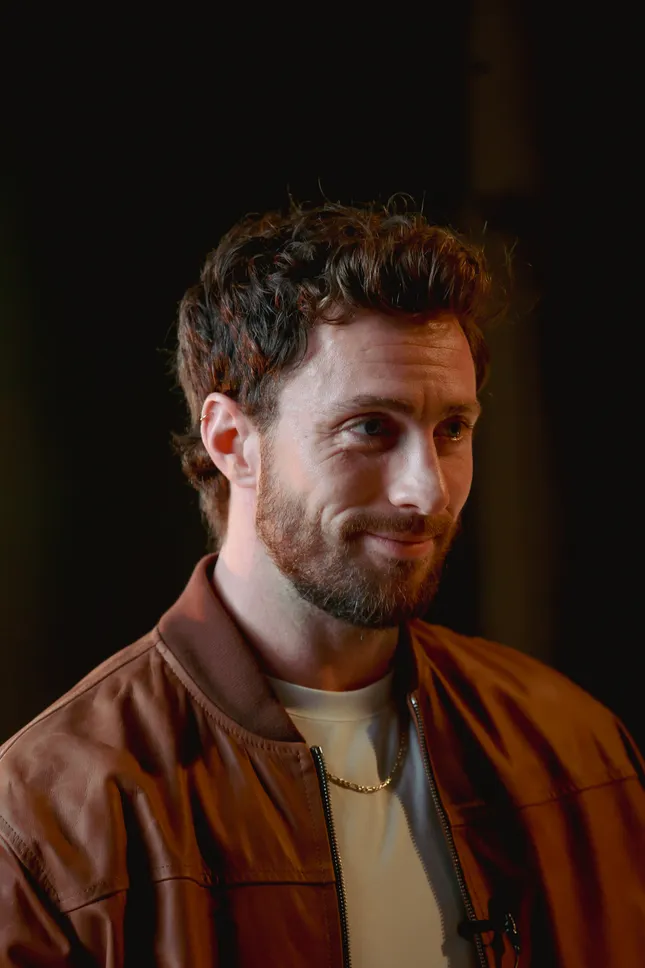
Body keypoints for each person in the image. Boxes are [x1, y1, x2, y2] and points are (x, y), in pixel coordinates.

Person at [0, 202, 643, 968]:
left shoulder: (577, 747)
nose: (426, 492)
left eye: (451, 430)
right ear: (233, 441)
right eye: (369, 427)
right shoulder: (46, 817)